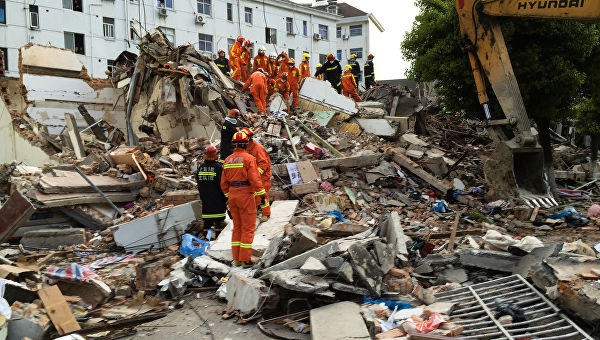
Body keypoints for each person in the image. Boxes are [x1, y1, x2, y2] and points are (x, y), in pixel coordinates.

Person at [220, 131, 266, 268]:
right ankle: (245, 259)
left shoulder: (227, 160)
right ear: (246, 144)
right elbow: (255, 179)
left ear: (233, 145)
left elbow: (223, 183)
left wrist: (229, 197)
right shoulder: (249, 158)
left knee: (237, 227)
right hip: (245, 195)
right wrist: (262, 195)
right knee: (248, 227)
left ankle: (237, 258)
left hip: (233, 195)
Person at [241, 128, 272, 222]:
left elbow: (264, 164)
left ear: (248, 140)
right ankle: (254, 211)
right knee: (252, 197)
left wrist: (255, 175)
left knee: (261, 196)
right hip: (252, 178)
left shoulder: (258, 149)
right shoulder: (245, 149)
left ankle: (266, 213)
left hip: (263, 178)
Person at [195, 145, 227, 235]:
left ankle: (207, 239)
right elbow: (222, 184)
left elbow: (198, 182)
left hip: (206, 200)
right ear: (216, 155)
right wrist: (226, 198)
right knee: (219, 223)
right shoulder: (219, 168)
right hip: (218, 201)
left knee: (207, 223)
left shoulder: (200, 168)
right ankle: (216, 238)